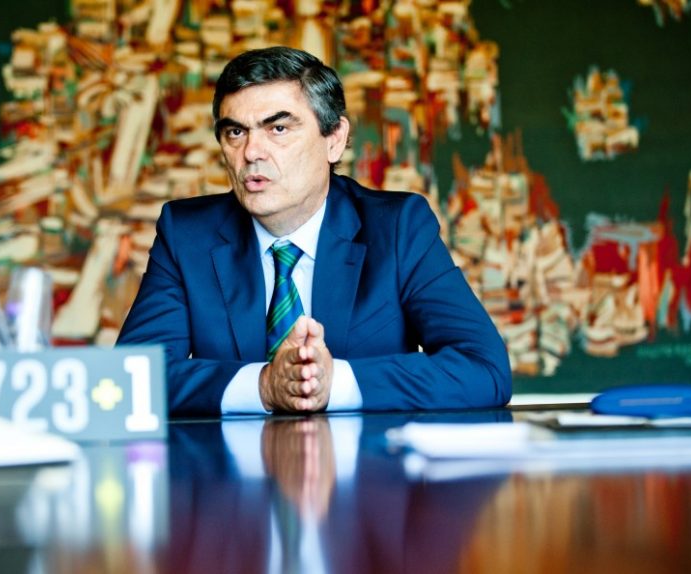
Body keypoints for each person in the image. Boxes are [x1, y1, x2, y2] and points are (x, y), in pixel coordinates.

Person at [117, 46, 512, 416]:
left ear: (334, 140)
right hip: (230, 467)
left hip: (368, 466)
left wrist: (334, 383)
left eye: (278, 129)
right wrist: (264, 386)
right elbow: (131, 379)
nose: (251, 152)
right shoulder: (186, 234)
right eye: (235, 132)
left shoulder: (398, 227)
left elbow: (484, 368)